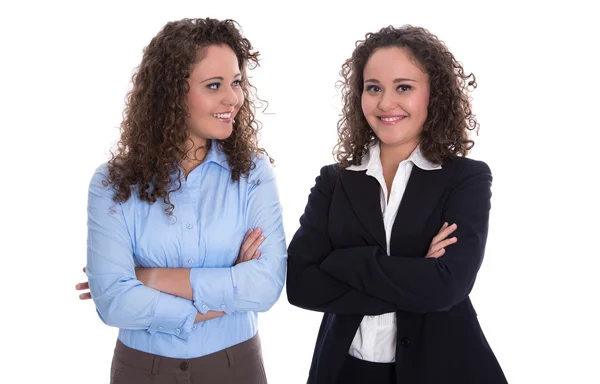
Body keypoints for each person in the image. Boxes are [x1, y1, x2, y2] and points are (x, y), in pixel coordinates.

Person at [286, 25, 508, 384]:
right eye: (374, 88)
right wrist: (416, 273)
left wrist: (343, 262)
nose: (386, 103)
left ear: (433, 95)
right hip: (345, 370)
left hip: (444, 369)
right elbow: (300, 284)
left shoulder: (465, 178)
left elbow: (448, 287)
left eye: (403, 87)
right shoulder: (335, 181)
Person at [75, 17, 285, 384]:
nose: (232, 98)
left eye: (236, 82)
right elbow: (113, 303)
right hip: (142, 369)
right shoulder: (112, 182)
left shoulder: (253, 173)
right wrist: (228, 286)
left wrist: (150, 277)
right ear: (171, 94)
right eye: (214, 85)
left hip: (236, 367)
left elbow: (265, 287)